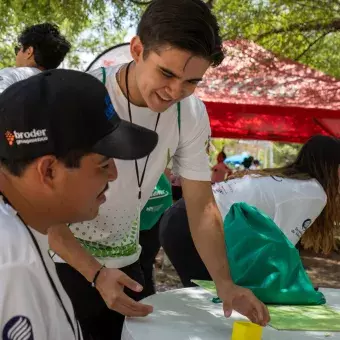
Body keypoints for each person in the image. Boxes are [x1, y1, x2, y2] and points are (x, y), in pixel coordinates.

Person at [49, 1, 269, 339]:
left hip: (127, 261)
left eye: (192, 81)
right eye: (166, 73)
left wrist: (226, 284)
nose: (175, 92)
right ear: (137, 49)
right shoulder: (83, 98)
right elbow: (41, 207)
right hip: (61, 263)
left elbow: (201, 205)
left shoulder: (191, 113)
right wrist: (94, 273)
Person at [0, 70, 158, 339]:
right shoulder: (14, 267)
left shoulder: (24, 232)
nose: (114, 175)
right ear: (49, 171)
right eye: (103, 164)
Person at [159, 135, 340, 286]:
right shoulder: (314, 193)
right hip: (194, 224)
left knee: (212, 297)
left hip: (181, 217)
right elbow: (282, 249)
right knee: (215, 299)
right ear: (333, 167)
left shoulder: (292, 183)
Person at [139, 173, 173, 298]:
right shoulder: (156, 163)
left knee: (141, 265)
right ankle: (147, 300)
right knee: (146, 265)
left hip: (140, 221)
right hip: (156, 214)